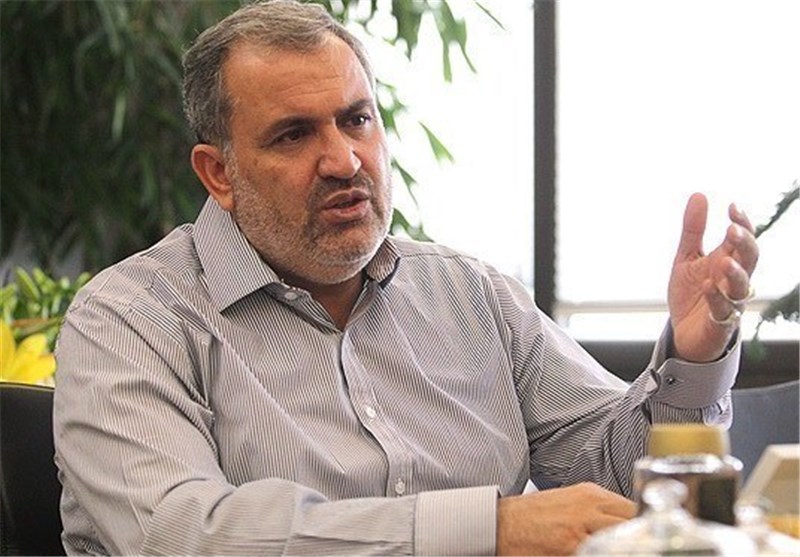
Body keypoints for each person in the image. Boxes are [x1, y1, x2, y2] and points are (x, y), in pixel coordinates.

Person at [52, 1, 759, 555]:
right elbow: (180, 535)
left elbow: (623, 482)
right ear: (218, 173)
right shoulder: (128, 319)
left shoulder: (468, 293)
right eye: (294, 134)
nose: (344, 160)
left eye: (356, 120)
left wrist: (694, 358)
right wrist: (490, 529)